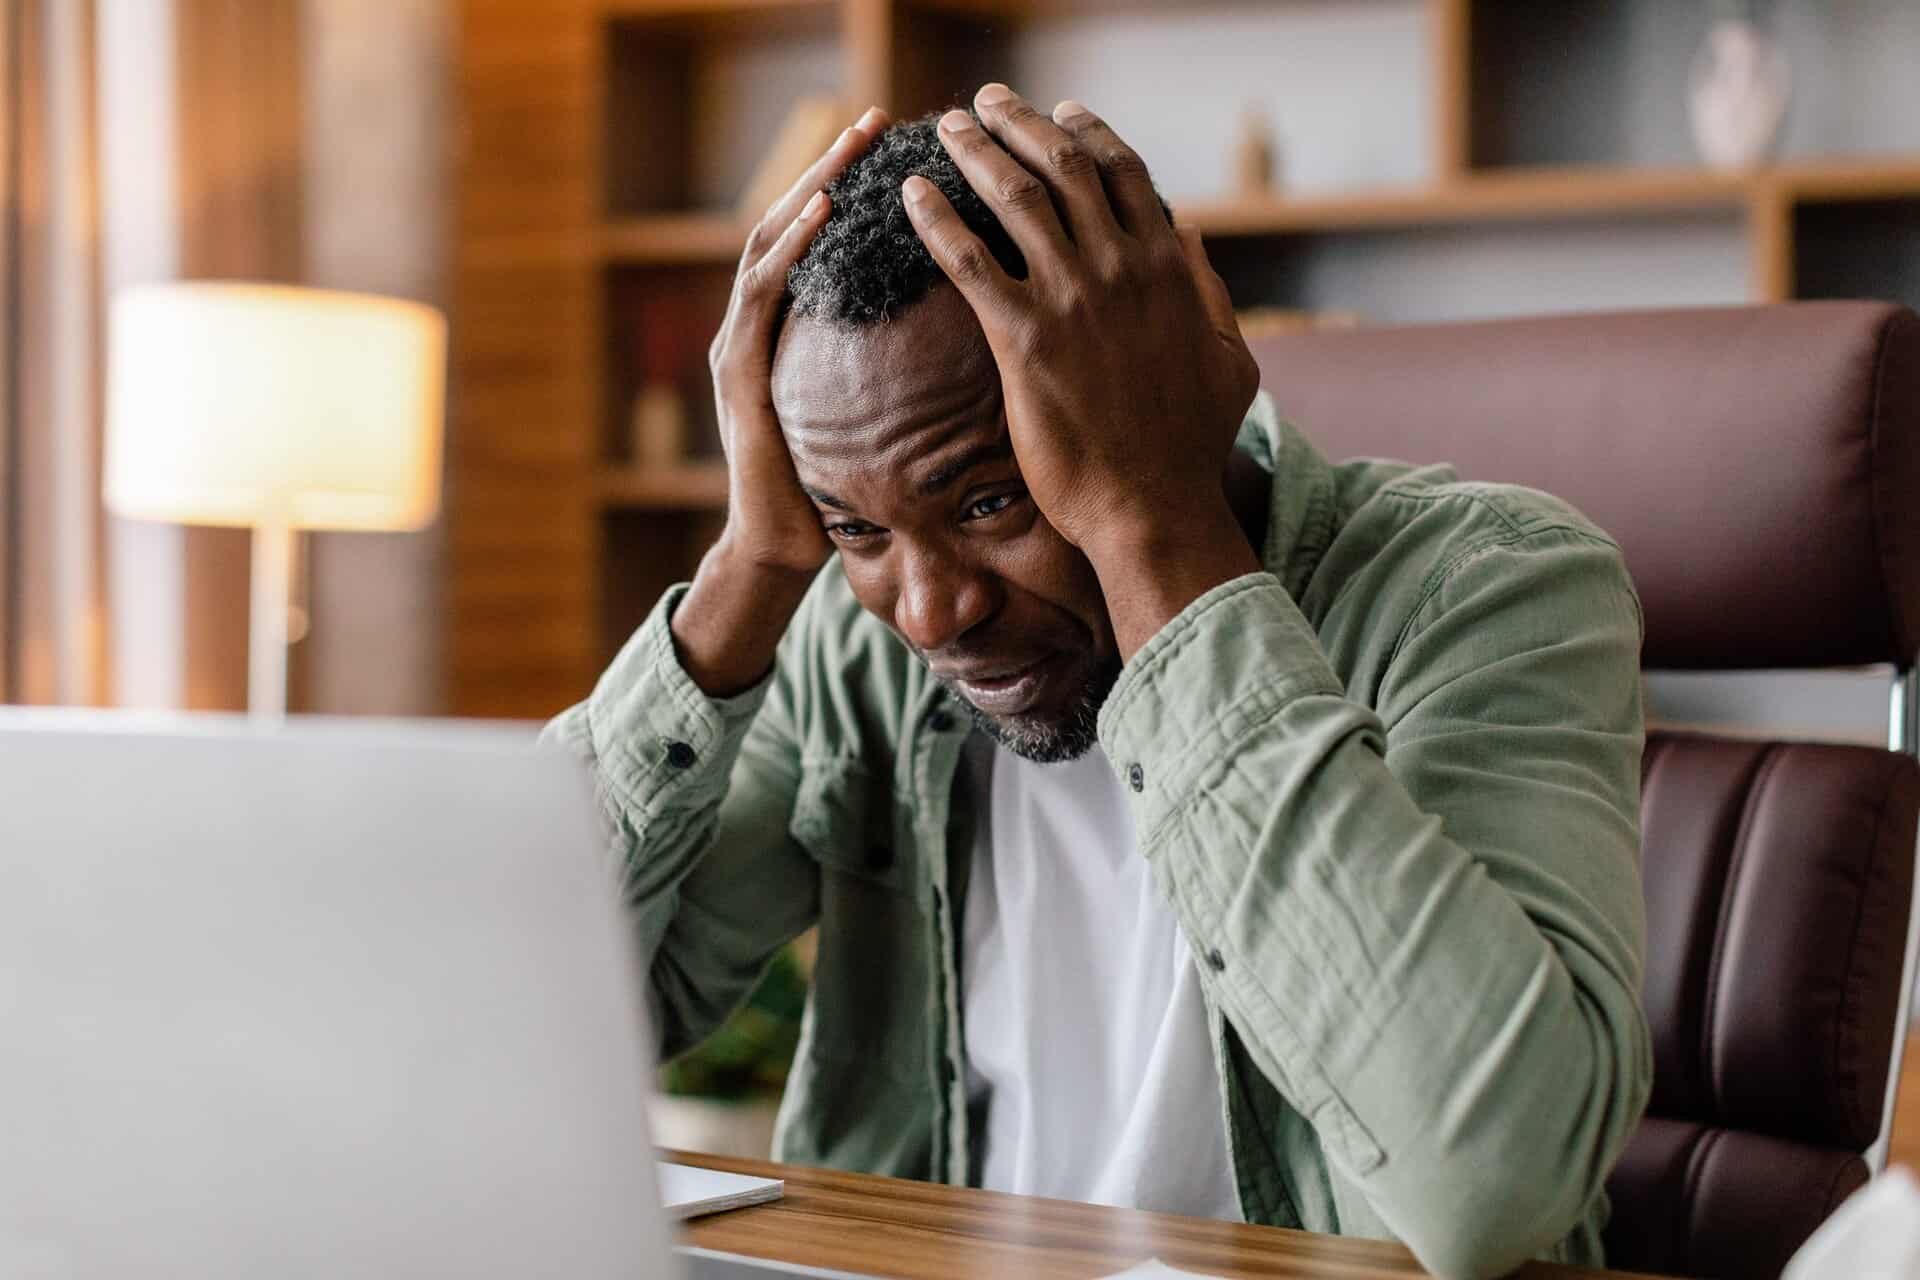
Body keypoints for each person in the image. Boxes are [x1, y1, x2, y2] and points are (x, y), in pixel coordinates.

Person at [547, 85, 1651, 1280]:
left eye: (988, 499)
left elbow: (1492, 1181)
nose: (931, 610)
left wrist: (1156, 528)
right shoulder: (854, 651)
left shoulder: (1488, 590)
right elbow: (532, 1024)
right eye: (852, 527)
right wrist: (750, 569)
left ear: (1153, 388)